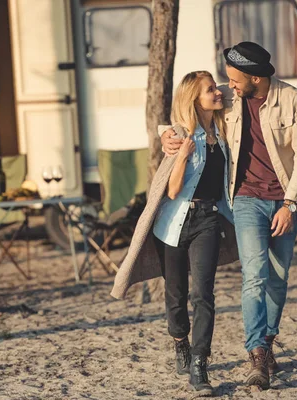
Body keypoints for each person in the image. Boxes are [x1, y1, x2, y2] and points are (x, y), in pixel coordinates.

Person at [160, 42, 297, 390]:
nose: (228, 86)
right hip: (245, 200)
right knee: (254, 276)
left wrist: (291, 205)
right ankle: (256, 352)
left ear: (255, 78)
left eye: (233, 80)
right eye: (224, 81)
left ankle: (268, 340)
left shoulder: (293, 101)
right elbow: (186, 112)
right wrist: (165, 134)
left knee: (278, 276)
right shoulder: (231, 99)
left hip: (285, 200)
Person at [111, 71, 236, 397]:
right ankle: (180, 343)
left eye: (216, 88)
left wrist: (215, 90)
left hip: (209, 220)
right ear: (195, 98)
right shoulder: (181, 135)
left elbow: (232, 91)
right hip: (174, 223)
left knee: (203, 294)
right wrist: (180, 154)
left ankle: (199, 363)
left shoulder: (222, 130)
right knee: (176, 296)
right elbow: (175, 188)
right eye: (210, 90)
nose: (218, 93)